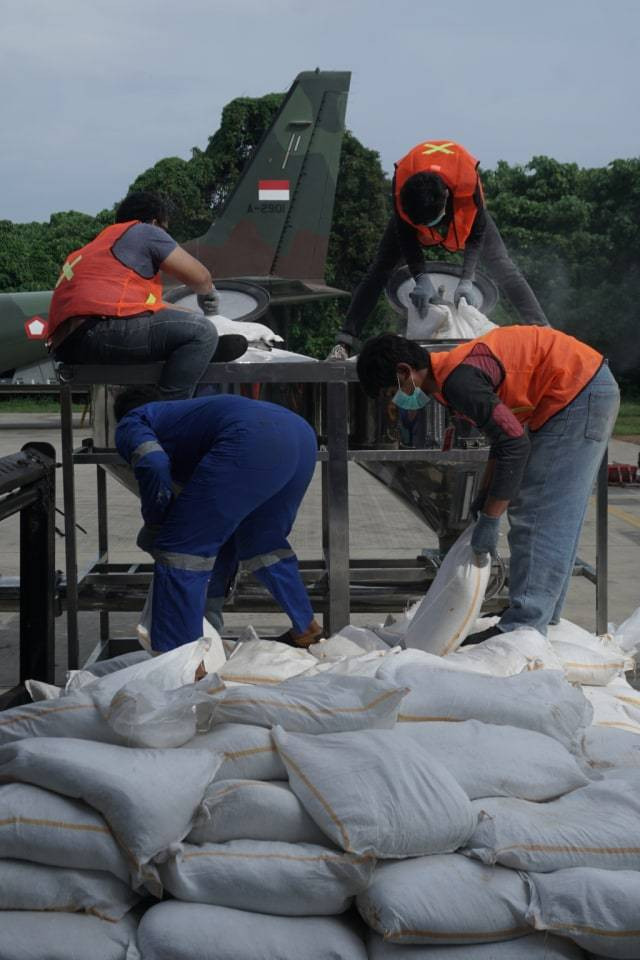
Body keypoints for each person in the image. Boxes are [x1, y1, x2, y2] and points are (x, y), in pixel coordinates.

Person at [356, 326, 619, 641]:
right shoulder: (449, 379)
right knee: (550, 513)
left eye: (391, 392)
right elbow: (502, 438)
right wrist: (484, 497)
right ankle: (541, 614)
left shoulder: (459, 382)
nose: (396, 403)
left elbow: (514, 444)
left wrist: (492, 518)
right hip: (579, 390)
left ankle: (523, 625)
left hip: (576, 393)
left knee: (537, 512)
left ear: (404, 371)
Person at [114, 388, 322, 652]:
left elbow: (153, 463)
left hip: (250, 437)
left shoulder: (133, 420)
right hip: (300, 435)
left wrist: (156, 523)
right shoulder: (188, 415)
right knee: (261, 539)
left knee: (179, 549)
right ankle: (306, 628)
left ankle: (183, 661)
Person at [328, 140, 548, 360]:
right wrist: (421, 277)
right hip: (412, 220)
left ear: (445, 197)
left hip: (468, 219)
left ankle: (545, 332)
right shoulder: (403, 189)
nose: (431, 230)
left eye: (431, 223)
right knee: (379, 270)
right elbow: (405, 235)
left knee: (504, 266)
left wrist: (467, 279)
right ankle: (344, 342)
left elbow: (477, 233)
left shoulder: (467, 182)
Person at [49, 191, 246, 400]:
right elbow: (201, 278)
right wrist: (210, 300)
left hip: (68, 345)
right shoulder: (144, 231)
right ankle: (169, 413)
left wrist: (187, 315)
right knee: (202, 331)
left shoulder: (97, 248)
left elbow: (153, 307)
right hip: (100, 331)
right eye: (165, 231)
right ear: (155, 222)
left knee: (185, 329)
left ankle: (197, 351)